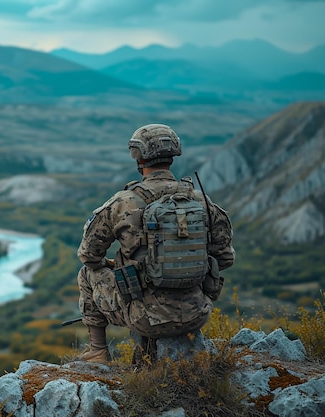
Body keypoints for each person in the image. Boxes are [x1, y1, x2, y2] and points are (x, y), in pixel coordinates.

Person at [75, 123, 235, 364]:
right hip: (196, 314)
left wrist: (125, 265)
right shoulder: (199, 199)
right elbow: (224, 258)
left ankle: (97, 351)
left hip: (144, 319)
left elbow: (89, 257)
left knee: (87, 274)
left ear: (138, 157)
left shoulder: (123, 202)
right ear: (172, 156)